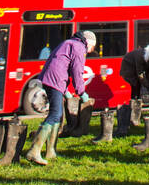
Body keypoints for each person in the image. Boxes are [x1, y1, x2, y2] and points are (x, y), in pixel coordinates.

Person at [25, 28, 96, 166]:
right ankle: (34, 150)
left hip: (51, 80)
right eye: (92, 48)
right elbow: (77, 72)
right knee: (55, 113)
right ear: (88, 43)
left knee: (56, 115)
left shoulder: (69, 43)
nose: (90, 51)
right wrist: (81, 93)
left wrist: (65, 90)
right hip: (55, 81)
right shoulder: (79, 47)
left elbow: (59, 65)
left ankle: (51, 151)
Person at [118, 42, 149, 117]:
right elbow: (140, 74)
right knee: (136, 86)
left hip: (139, 68)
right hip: (128, 67)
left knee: (148, 86)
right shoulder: (140, 57)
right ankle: (134, 114)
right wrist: (148, 86)